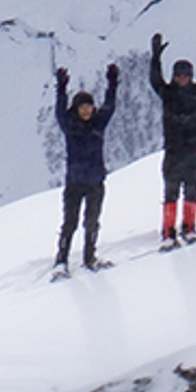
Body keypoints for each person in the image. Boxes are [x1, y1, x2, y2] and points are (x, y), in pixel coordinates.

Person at [149, 31, 196, 247]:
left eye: (186, 75)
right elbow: (154, 79)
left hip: (193, 150)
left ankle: (189, 227)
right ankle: (168, 231)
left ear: (190, 76)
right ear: (174, 76)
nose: (182, 79)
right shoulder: (167, 92)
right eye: (179, 75)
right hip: (173, 151)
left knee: (191, 190)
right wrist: (155, 57)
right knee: (170, 193)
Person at [53, 62, 117, 276]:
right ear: (76, 109)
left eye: (89, 106)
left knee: (92, 222)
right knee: (69, 223)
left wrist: (112, 84)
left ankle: (89, 257)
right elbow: (60, 112)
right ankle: (61, 261)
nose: (87, 110)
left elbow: (110, 106)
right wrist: (61, 90)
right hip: (75, 182)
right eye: (82, 107)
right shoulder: (70, 126)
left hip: (95, 182)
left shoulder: (98, 123)